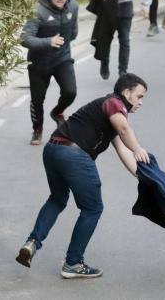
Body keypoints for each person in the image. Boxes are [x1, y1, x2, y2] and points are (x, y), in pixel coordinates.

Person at [16, 73, 151, 278]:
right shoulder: (114, 103)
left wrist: (143, 177)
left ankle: (32, 242)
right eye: (139, 96)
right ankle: (73, 262)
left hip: (53, 150)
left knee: (58, 198)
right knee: (93, 208)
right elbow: (125, 130)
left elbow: (122, 150)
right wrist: (139, 148)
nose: (141, 102)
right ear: (126, 92)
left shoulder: (110, 113)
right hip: (73, 154)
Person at [21, 0, 79, 146]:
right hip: (39, 62)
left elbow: (73, 32)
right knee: (37, 100)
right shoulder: (38, 11)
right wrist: (48, 42)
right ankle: (37, 130)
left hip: (62, 59)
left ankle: (57, 112)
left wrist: (64, 45)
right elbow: (24, 39)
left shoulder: (73, 6)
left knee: (71, 92)